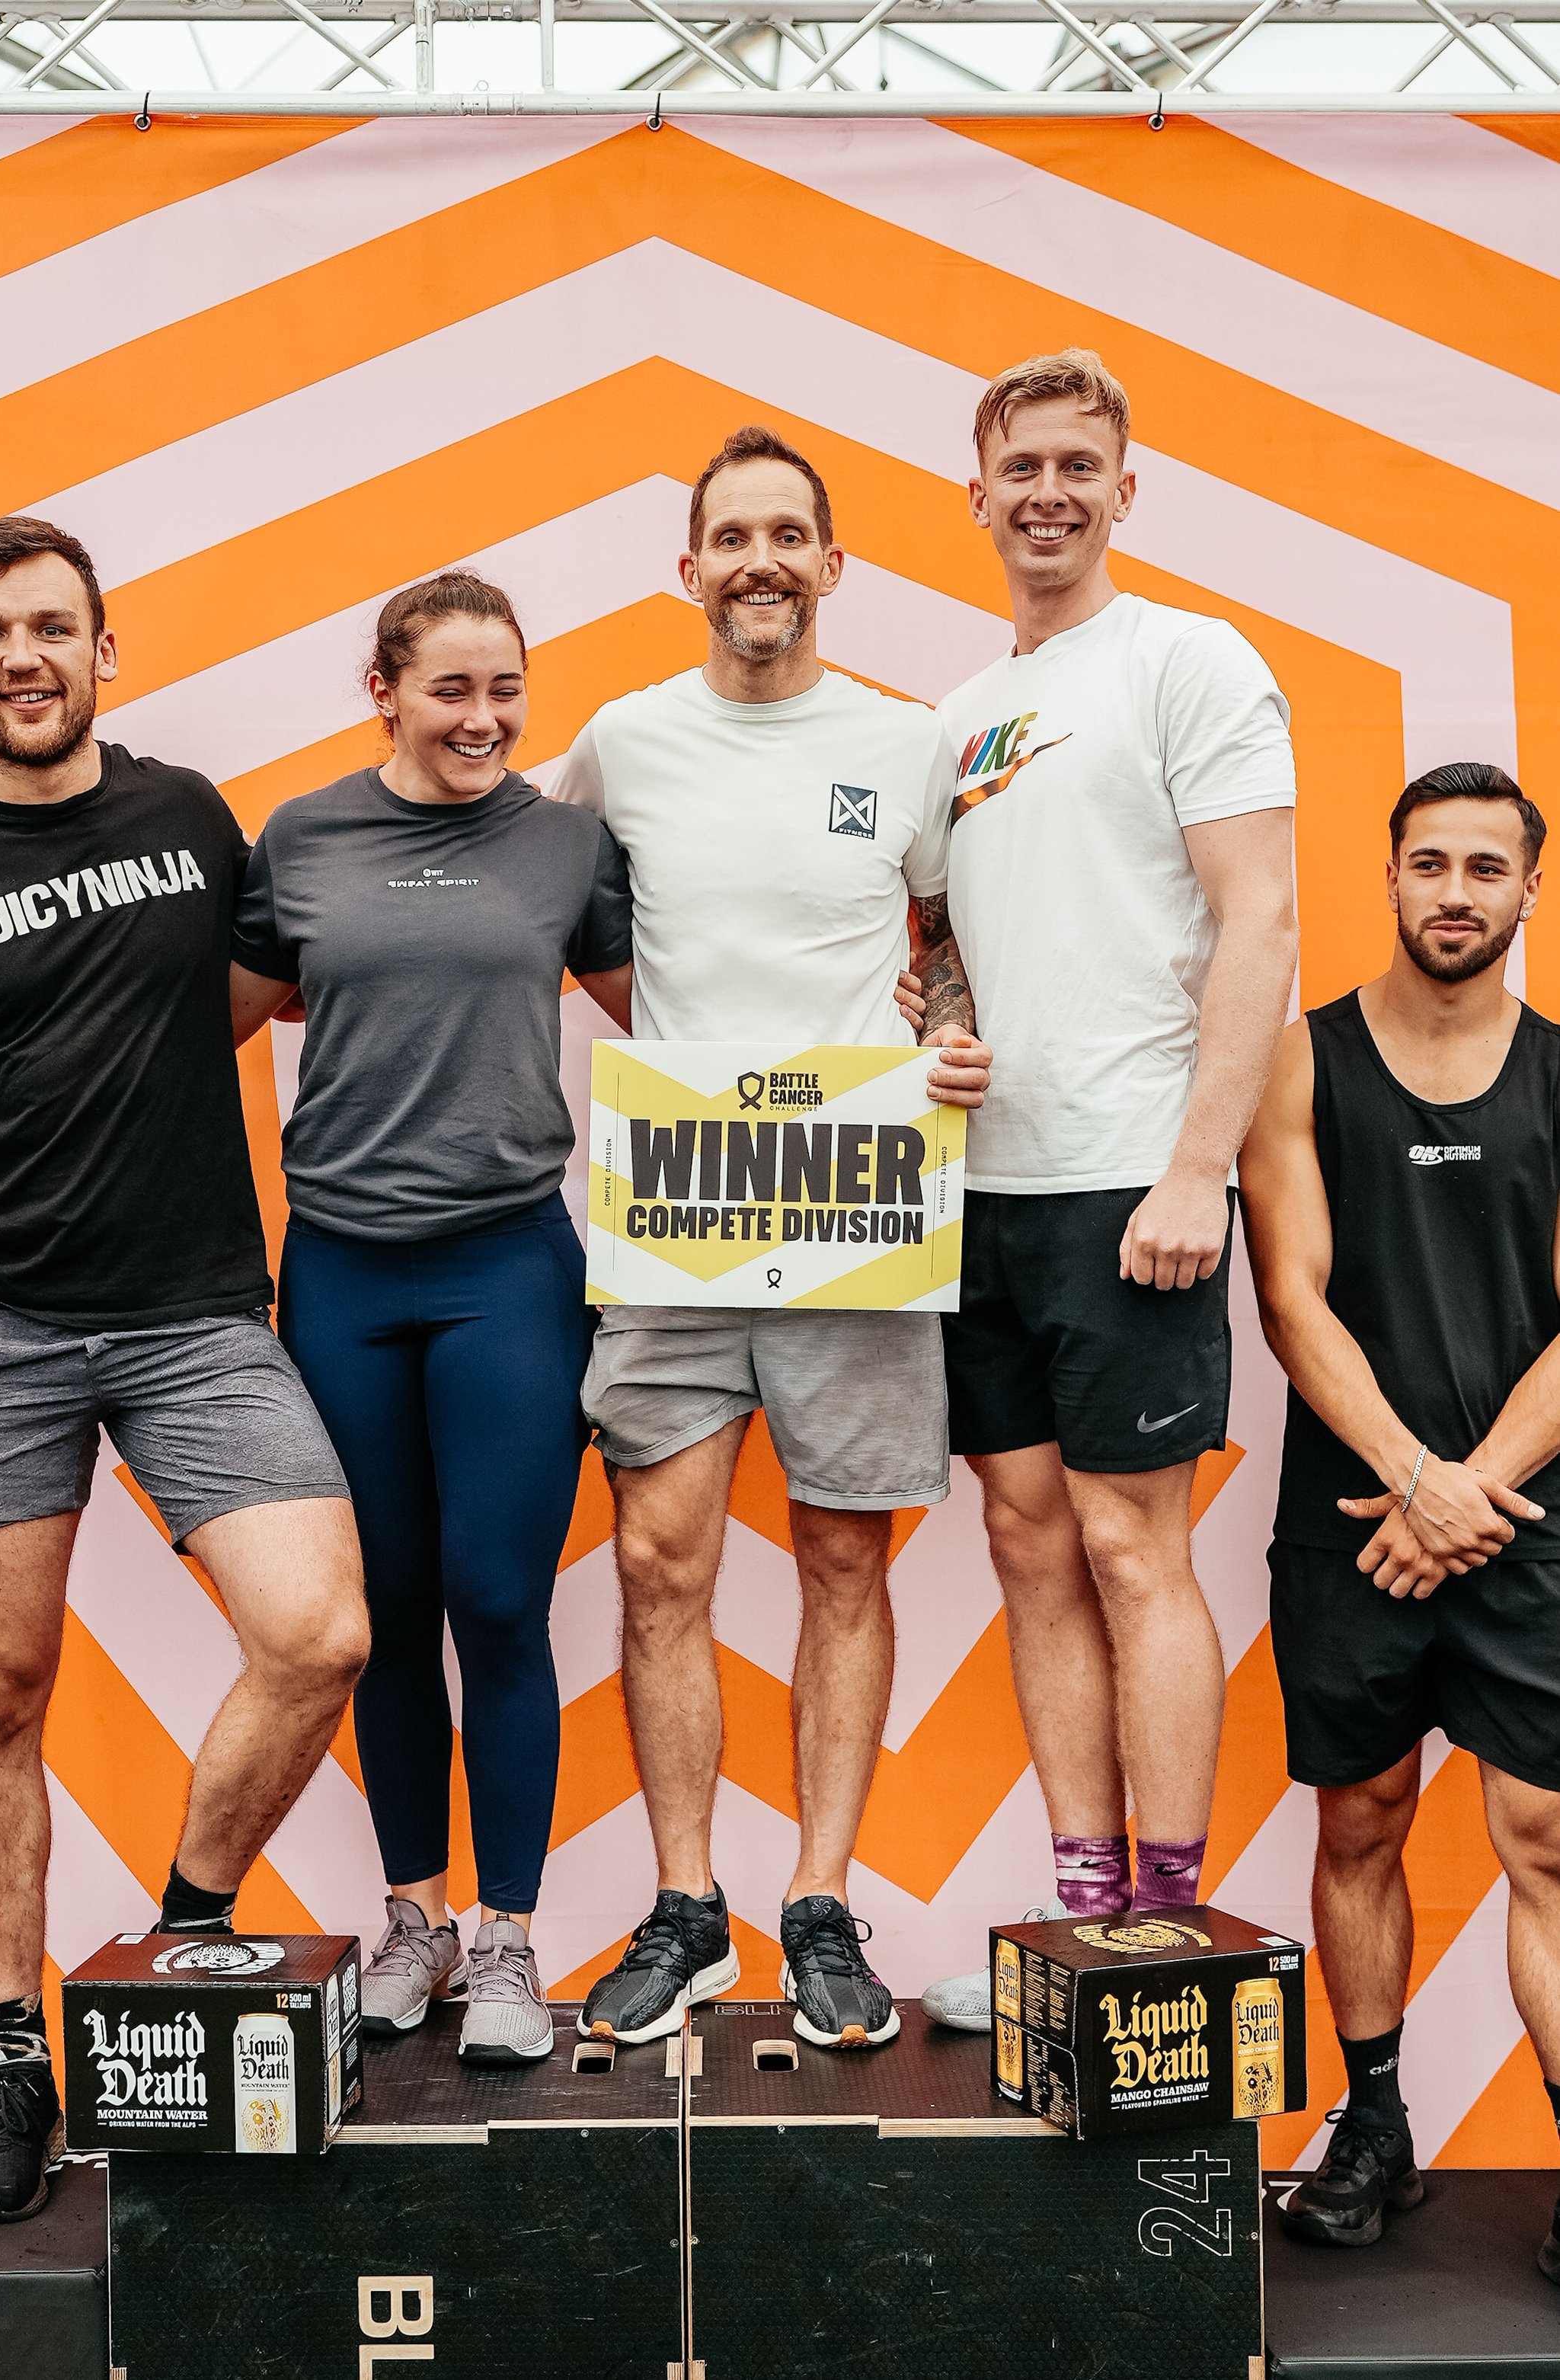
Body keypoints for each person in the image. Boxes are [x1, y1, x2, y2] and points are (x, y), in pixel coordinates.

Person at [0, 517, 368, 2222]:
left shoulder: (188, 818)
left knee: (320, 1634)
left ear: (104, 650)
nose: (23, 656)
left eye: (52, 626)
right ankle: (11, 2060)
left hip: (199, 1316)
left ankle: (182, 1936)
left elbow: (256, 996)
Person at [548, 425, 993, 2052]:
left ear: (831, 563)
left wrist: (949, 1026)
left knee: (841, 1558)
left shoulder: (906, 741)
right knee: (658, 1559)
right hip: (678, 1211)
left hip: (859, 1207)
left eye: (786, 535)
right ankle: (685, 1908)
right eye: (730, 536)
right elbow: (552, 905)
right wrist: (665, 1053)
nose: (759, 561)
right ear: (689, 570)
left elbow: (949, 933)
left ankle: (817, 1903)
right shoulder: (622, 740)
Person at [918, 349, 1299, 2032]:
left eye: (1081, 465)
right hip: (978, 1198)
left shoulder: (1187, 660)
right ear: (979, 495)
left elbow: (1261, 920)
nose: (1050, 492)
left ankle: (1166, 1920)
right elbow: (946, 948)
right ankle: (1082, 1913)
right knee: (1028, 1541)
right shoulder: (954, 716)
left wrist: (1196, 1168)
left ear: (1125, 491)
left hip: (1129, 1186)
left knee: (1134, 1550)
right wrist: (938, 1023)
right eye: (1023, 466)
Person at [230, 572, 634, 2065]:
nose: (482, 718)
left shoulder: (563, 844)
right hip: (340, 1273)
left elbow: (680, 1022)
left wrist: (899, 1038)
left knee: (499, 1600)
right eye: (450, 689)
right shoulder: (302, 839)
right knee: (384, 1613)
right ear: (384, 693)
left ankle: (510, 1939)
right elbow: (197, 1025)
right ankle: (416, 1920)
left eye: (503, 689)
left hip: (506, 1269)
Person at [1240, 763, 1560, 2269]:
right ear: (1387, 876)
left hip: (1521, 1517)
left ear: (1527, 892)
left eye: (1485, 867)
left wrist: (1466, 1488)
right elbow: (1288, 1296)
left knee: (1542, 1834)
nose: (1453, 891)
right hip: (1353, 1516)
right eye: (1429, 861)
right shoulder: (1298, 1060)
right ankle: (1373, 2126)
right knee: (1360, 1814)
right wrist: (1412, 1478)